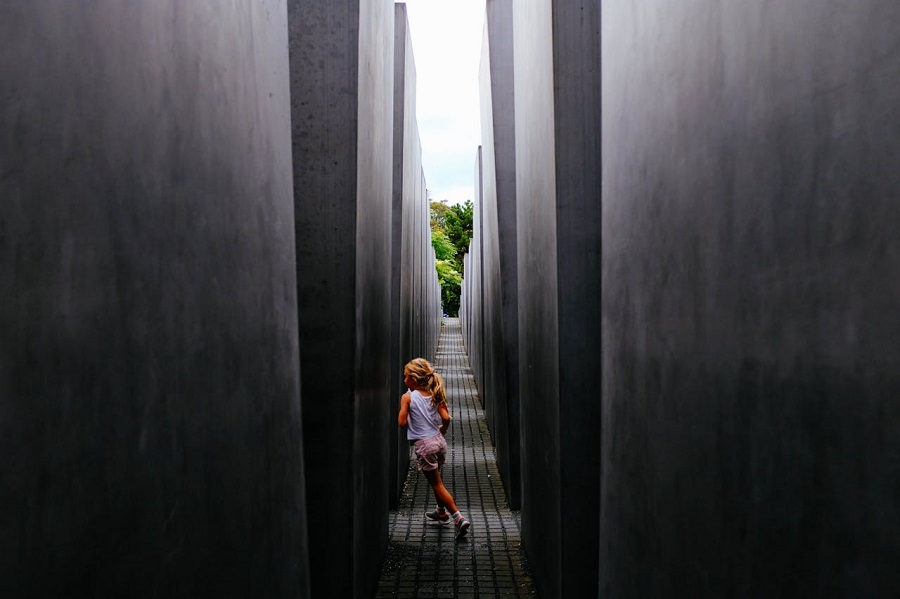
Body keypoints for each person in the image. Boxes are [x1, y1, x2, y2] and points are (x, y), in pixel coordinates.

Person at [397, 357, 471, 540]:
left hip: (425, 445)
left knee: (437, 484)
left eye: (406, 377)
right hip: (439, 442)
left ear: (414, 378)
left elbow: (401, 422)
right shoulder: (435, 394)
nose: (404, 380)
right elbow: (446, 418)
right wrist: (442, 431)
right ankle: (441, 513)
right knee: (437, 481)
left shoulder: (407, 397)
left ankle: (458, 518)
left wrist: (406, 409)